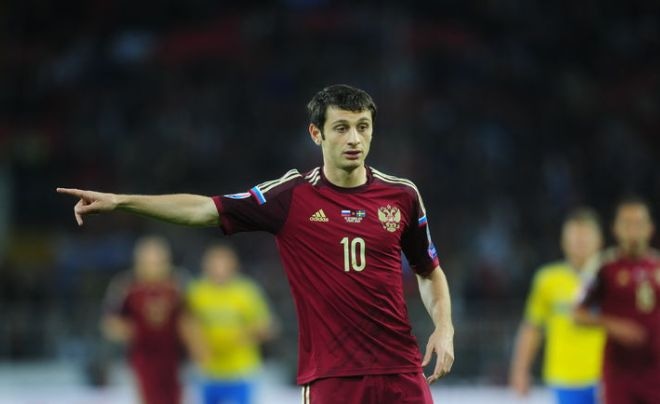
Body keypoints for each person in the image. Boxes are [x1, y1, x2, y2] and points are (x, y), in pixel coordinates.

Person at [57, 84, 454, 404]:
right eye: (341, 127)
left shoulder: (402, 195)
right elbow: (202, 210)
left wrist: (444, 327)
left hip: (401, 372)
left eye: (363, 126)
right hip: (332, 378)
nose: (354, 138)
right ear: (316, 133)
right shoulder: (291, 196)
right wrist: (122, 201)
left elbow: (429, 270)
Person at [509, 208, 605, 404]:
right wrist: (520, 370)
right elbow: (532, 327)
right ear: (563, 241)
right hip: (564, 378)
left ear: (599, 240)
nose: (580, 242)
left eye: (586, 236)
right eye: (574, 237)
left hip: (607, 377)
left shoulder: (613, 278)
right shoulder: (548, 280)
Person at [574, 197, 660, 404]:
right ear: (615, 229)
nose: (633, 231)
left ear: (650, 228)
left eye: (638, 224)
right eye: (626, 224)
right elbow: (577, 313)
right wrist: (614, 325)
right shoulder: (602, 267)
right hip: (619, 374)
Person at [180, 242, 275, 404]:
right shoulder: (197, 292)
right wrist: (195, 346)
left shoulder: (246, 292)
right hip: (208, 372)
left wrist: (243, 336)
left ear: (234, 265)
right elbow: (186, 322)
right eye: (214, 264)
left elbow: (267, 326)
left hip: (241, 371)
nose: (218, 269)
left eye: (223, 264)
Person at [102, 235, 185, 404]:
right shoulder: (125, 286)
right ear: (138, 262)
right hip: (141, 359)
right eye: (149, 262)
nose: (154, 268)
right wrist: (133, 331)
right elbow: (110, 323)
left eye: (159, 262)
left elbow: (189, 321)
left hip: (174, 359)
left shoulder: (178, 284)